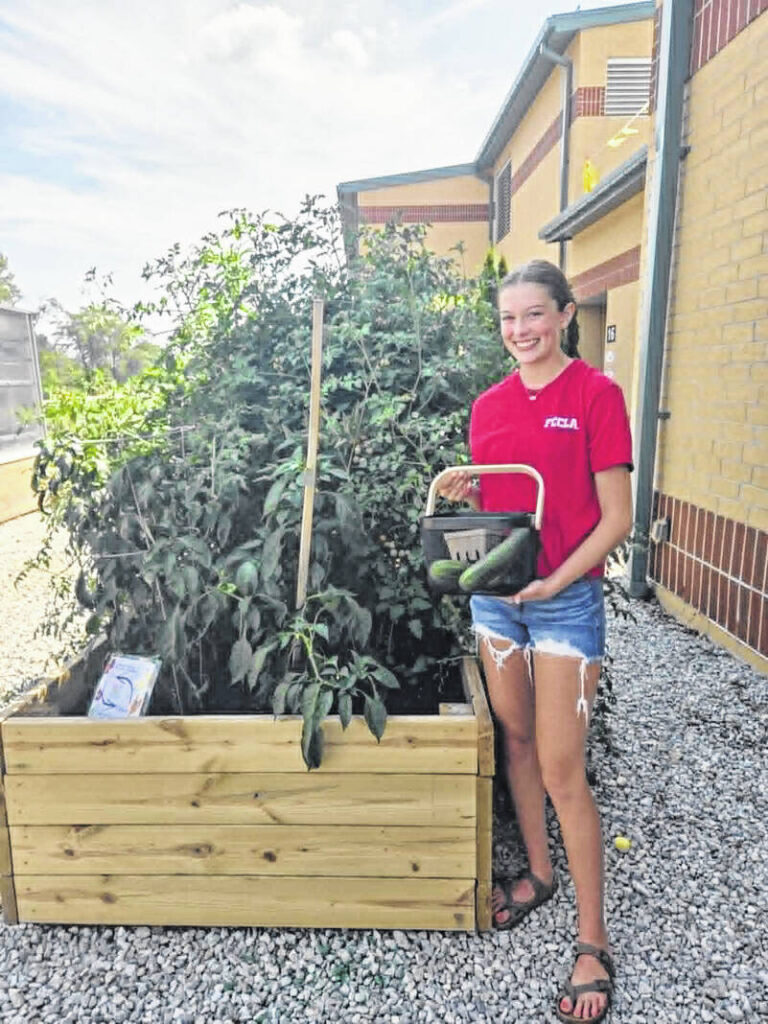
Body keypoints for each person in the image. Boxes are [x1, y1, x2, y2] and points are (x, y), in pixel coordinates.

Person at [437, 259, 632, 1023]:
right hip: (497, 603)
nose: (520, 330)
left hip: (564, 606)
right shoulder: (487, 407)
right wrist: (467, 498)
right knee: (515, 741)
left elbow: (615, 518)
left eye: (534, 314)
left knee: (561, 768)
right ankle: (541, 875)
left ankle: (593, 941)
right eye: (508, 318)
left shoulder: (595, 395)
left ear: (565, 314)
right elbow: (502, 511)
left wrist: (556, 584)